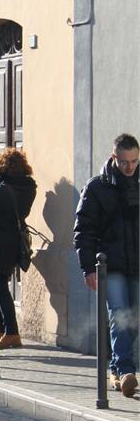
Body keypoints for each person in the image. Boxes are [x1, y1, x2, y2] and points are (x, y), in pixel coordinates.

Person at [74, 133, 139, 398]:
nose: (129, 167)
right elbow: (83, 230)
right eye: (124, 162)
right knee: (120, 315)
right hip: (111, 265)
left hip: (138, 263)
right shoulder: (97, 187)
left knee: (135, 318)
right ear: (114, 158)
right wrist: (88, 268)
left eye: (134, 161)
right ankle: (125, 371)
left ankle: (115, 366)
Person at [0, 148, 37, 352]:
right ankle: (2, 331)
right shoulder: (28, 187)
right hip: (13, 243)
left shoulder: (2, 190)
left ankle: (11, 332)